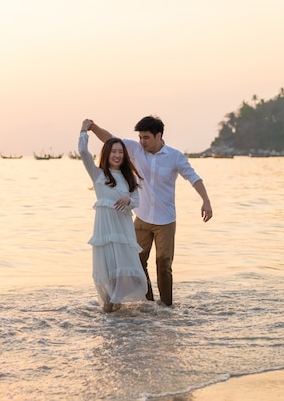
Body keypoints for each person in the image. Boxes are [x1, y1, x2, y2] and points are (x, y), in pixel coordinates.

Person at [86, 116, 213, 306]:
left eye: (146, 138)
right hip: (142, 218)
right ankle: (150, 304)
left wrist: (206, 201)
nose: (142, 142)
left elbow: (194, 178)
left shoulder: (175, 156)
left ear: (158, 136)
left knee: (163, 263)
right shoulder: (136, 150)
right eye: (140, 137)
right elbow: (109, 139)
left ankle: (167, 306)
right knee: (137, 262)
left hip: (165, 221)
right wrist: (92, 127)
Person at [78, 119, 149, 313]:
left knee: (126, 273)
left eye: (120, 152)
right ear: (107, 154)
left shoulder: (129, 178)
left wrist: (128, 200)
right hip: (104, 232)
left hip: (123, 232)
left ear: (124, 155)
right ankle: (110, 316)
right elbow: (83, 153)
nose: (117, 155)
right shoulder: (98, 174)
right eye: (113, 151)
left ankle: (120, 313)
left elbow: (136, 199)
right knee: (107, 272)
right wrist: (84, 130)